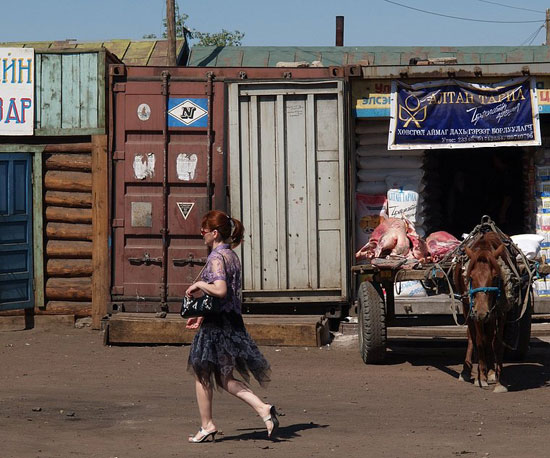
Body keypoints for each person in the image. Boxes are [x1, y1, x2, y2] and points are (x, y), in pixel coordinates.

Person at [186, 210, 279, 443]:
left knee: (202, 374)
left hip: (218, 326)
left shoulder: (216, 257)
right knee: (224, 377)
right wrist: (200, 317)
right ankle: (263, 409)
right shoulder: (232, 256)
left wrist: (198, 284)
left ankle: (207, 424)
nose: (202, 234)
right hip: (230, 321)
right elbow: (224, 298)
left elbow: (220, 290)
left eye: (204, 231)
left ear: (215, 233)